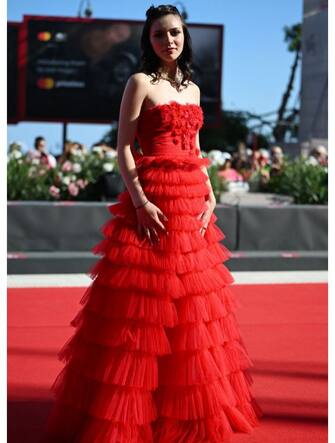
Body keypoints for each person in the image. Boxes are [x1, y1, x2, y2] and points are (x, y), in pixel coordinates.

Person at [43, 5, 262, 442]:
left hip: (191, 201)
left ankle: (181, 412)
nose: (169, 41)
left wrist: (211, 190)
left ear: (185, 37)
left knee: (192, 309)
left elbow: (195, 146)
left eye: (175, 33)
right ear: (149, 41)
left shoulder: (194, 90)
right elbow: (125, 149)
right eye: (160, 35)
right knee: (142, 307)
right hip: (155, 198)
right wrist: (141, 202)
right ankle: (129, 413)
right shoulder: (139, 82)